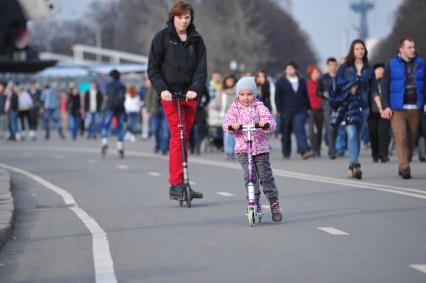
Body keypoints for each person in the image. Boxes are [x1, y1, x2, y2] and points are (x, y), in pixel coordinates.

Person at [148, 0, 207, 200]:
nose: (183, 21)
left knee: (185, 138)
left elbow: (201, 70)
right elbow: (153, 69)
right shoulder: (162, 38)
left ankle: (183, 182)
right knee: (178, 136)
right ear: (173, 17)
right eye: (180, 17)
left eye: (187, 17)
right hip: (170, 96)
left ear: (191, 19)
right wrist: (162, 89)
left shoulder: (196, 41)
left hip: (189, 95)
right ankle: (176, 183)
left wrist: (195, 89)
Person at [223, 77, 282, 222]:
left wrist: (265, 124)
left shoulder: (259, 106)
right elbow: (227, 123)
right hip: (243, 148)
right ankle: (254, 202)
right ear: (238, 94)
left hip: (260, 148)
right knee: (250, 176)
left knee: (265, 177)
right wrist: (233, 125)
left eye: (249, 94)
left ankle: (274, 203)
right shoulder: (234, 107)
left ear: (254, 94)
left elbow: (271, 123)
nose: (246, 98)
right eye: (242, 94)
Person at [381, 37, 426, 179]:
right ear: (401, 49)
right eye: (409, 47)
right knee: (400, 138)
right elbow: (384, 86)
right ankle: (405, 168)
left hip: (415, 108)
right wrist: (386, 106)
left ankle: (405, 161)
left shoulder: (421, 63)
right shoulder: (391, 64)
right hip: (397, 108)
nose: (413, 49)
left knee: (410, 141)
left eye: (413, 47)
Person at [331, 39, 373, 179]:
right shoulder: (345, 67)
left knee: (358, 136)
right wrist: (349, 88)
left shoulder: (369, 68)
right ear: (352, 51)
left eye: (362, 48)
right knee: (352, 134)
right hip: (349, 107)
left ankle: (351, 164)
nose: (360, 51)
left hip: (364, 107)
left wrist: (379, 106)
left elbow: (373, 90)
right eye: (357, 49)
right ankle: (356, 163)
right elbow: (336, 84)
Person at [275, 62, 314, 160]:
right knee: (286, 132)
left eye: (291, 69)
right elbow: (277, 97)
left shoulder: (301, 81)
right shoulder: (281, 81)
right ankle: (286, 152)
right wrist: (279, 109)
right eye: (287, 69)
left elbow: (305, 95)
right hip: (286, 110)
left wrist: (308, 108)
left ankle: (304, 150)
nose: (288, 70)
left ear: (295, 70)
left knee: (299, 129)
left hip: (299, 110)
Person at [101, 69, 126, 158]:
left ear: (111, 76)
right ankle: (120, 146)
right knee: (120, 128)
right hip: (120, 108)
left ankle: (104, 141)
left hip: (110, 107)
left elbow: (106, 96)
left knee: (105, 126)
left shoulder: (109, 85)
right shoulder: (122, 86)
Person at [317, 57, 339, 159]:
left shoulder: (340, 77)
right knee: (330, 128)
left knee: (336, 128)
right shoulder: (323, 78)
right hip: (327, 105)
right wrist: (323, 94)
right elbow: (318, 91)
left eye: (335, 65)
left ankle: (336, 147)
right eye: (331, 65)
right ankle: (332, 151)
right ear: (328, 66)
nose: (333, 67)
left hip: (339, 105)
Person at [367, 63, 390, 163]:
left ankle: (383, 155)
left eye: (382, 69)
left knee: (383, 133)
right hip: (372, 112)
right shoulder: (369, 83)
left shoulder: (387, 82)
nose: (381, 71)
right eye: (378, 69)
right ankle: (375, 154)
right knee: (373, 133)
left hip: (385, 111)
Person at [145, 79, 169, 154]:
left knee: (165, 130)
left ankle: (164, 148)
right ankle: (158, 145)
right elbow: (148, 96)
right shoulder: (155, 81)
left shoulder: (169, 81)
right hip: (155, 109)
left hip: (166, 109)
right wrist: (148, 109)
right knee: (155, 129)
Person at [306, 65, 323, 157]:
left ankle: (318, 148)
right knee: (312, 130)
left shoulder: (321, 83)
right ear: (311, 74)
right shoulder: (308, 83)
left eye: (318, 72)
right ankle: (313, 148)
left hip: (321, 109)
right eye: (315, 72)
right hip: (311, 109)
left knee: (319, 130)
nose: (317, 74)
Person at [218, 74, 237, 160]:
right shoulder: (222, 92)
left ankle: (233, 151)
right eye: (228, 81)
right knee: (227, 134)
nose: (230, 82)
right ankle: (227, 151)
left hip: (235, 115)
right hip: (225, 115)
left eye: (231, 81)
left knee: (234, 134)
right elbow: (218, 103)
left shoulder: (237, 91)